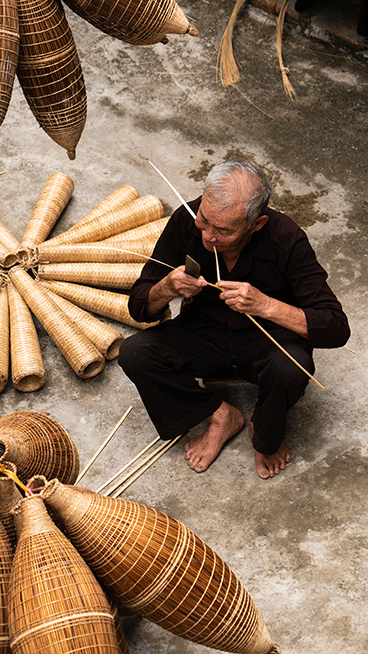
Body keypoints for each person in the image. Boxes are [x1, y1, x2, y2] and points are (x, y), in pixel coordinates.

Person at [118, 160, 350, 479]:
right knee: (134, 353)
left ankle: (263, 425)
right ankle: (219, 415)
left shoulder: (286, 238)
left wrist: (265, 305)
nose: (208, 237)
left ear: (256, 224)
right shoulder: (187, 220)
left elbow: (335, 327)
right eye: (205, 220)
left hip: (265, 343)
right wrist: (166, 287)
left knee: (292, 367)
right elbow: (139, 305)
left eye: (224, 231)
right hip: (201, 335)